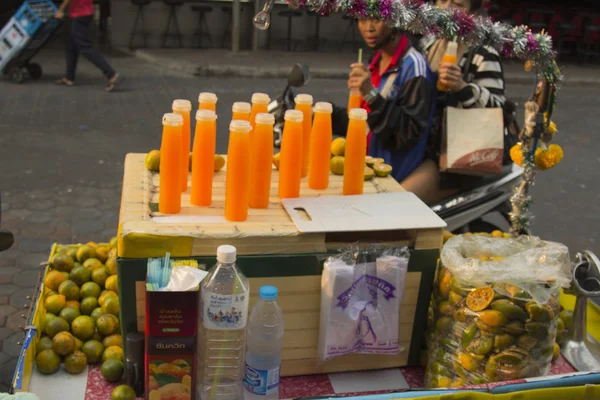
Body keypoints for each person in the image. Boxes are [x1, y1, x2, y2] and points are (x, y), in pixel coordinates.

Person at [410, 0, 507, 204]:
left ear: (472, 13)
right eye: (443, 1)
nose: (448, 9)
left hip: (453, 159)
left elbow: (498, 107)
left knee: (399, 202)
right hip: (416, 146)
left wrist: (462, 87)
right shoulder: (428, 43)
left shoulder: (482, 53)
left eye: (458, 4)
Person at [332, 18, 437, 187]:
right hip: (364, 174)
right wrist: (325, 116)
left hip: (392, 181)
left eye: (377, 20)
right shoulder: (375, 62)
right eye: (362, 20)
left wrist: (371, 94)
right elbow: (368, 123)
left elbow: (407, 134)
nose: (369, 28)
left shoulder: (414, 67)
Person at [54, 0, 121, 91]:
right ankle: (69, 77)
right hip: (84, 11)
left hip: (80, 14)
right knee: (71, 46)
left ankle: (111, 74)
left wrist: (60, 10)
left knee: (85, 47)